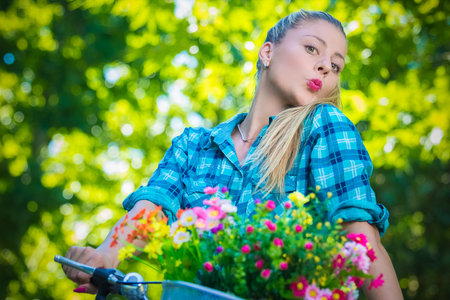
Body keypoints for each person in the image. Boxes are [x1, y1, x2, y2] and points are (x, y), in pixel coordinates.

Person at [64, 9, 403, 299]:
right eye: (312, 49)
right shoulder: (193, 145)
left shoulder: (325, 128)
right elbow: (149, 212)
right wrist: (106, 255)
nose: (326, 67)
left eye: (336, 65)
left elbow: (360, 238)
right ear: (267, 53)